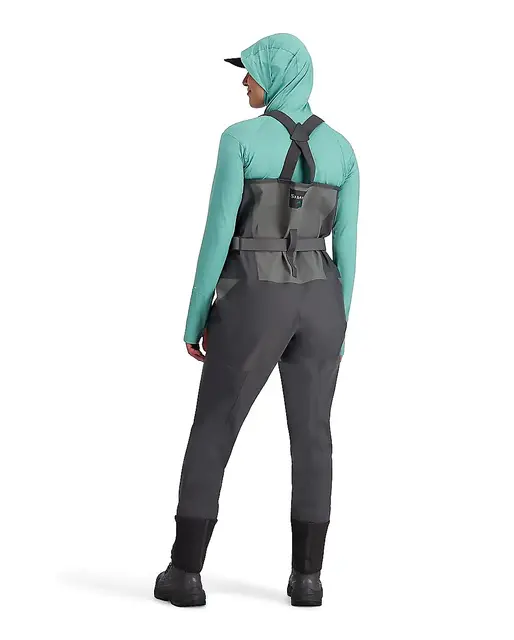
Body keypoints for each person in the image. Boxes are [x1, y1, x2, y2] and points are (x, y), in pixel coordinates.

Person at [154, 33, 360, 607]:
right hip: (323, 303)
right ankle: (308, 580)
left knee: (214, 425)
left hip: (253, 297)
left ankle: (185, 574)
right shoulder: (344, 150)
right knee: (314, 437)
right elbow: (347, 248)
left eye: (251, 71)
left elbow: (217, 233)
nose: (245, 80)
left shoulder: (239, 139)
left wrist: (195, 317)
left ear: (274, 75)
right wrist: (341, 326)